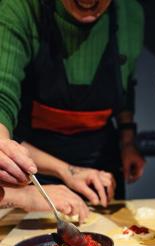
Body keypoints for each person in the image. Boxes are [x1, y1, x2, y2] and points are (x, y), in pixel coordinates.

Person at [0, 0, 145, 207]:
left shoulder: (130, 13)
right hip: (33, 166)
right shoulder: (20, 8)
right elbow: (2, 95)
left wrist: (128, 142)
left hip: (100, 162)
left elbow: (125, 86)